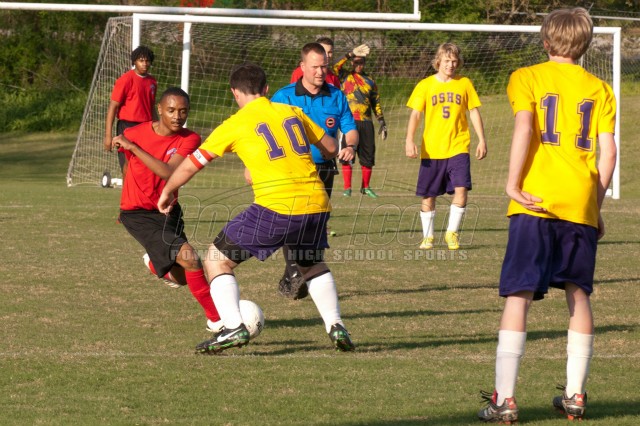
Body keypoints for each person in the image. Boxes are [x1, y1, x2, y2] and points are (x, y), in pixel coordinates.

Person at [158, 63, 356, 355]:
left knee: (216, 260)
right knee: (311, 263)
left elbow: (192, 164)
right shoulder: (291, 111)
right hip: (316, 202)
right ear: (266, 89)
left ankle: (233, 327)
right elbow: (329, 147)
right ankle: (336, 325)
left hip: (277, 205)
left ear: (234, 93)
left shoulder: (235, 124)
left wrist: (167, 190)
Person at [477, 8, 616, 423]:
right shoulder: (600, 88)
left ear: (545, 41)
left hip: (535, 200)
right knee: (578, 293)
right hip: (578, 201)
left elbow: (525, 128)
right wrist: (595, 205)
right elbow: (608, 153)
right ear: (585, 44)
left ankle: (505, 399)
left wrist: (512, 183)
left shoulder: (526, 76)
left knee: (519, 293)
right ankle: (575, 395)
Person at [112, 87, 222, 335]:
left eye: (183, 111)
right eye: (171, 110)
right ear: (159, 109)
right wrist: (125, 200)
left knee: (183, 276)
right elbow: (128, 168)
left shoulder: (190, 139)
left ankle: (154, 263)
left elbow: (170, 172)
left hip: (169, 211)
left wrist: (134, 148)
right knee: (191, 258)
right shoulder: (133, 133)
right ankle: (217, 321)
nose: (177, 116)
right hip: (138, 214)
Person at [271, 42, 359, 301]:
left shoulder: (336, 96)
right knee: (293, 221)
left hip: (324, 169)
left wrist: (350, 146)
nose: (321, 72)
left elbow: (350, 128)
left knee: (316, 224)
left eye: (324, 67)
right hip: (292, 170)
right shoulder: (283, 97)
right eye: (315, 67)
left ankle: (297, 275)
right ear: (302, 67)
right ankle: (294, 272)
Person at [405, 42, 487, 251]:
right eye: (447, 61)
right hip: (432, 150)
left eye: (454, 61)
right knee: (428, 195)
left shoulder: (464, 83)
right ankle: (428, 237)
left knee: (462, 189)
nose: (451, 65)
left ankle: (452, 233)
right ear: (438, 61)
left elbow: (474, 112)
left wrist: (482, 139)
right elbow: (415, 114)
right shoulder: (425, 85)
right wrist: (409, 139)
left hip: (459, 146)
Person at [334, 44, 387, 198]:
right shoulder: (345, 76)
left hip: (366, 122)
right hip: (349, 122)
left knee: (368, 156)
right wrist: (350, 53)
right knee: (346, 155)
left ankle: (366, 187)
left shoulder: (370, 80)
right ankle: (347, 188)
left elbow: (376, 102)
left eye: (361, 62)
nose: (359, 65)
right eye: (356, 62)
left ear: (364, 63)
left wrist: (382, 121)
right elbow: (335, 66)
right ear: (352, 63)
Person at [104, 45, 157, 179]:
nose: (144, 64)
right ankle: (127, 192)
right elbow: (113, 107)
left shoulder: (152, 81)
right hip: (127, 127)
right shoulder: (125, 80)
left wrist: (157, 127)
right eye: (141, 60)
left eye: (147, 61)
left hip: (145, 128)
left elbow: (151, 107)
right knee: (127, 165)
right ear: (134, 61)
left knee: (146, 164)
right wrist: (108, 136)